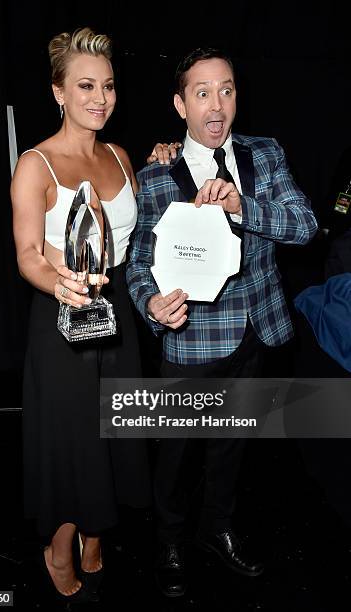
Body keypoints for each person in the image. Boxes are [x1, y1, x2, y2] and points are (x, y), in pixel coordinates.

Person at [127, 47, 318, 597]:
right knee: (175, 447)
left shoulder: (265, 154)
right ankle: (168, 537)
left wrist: (241, 207)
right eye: (203, 93)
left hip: (258, 330)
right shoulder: (157, 176)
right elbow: (139, 265)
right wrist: (151, 305)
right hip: (191, 339)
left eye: (227, 90)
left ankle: (218, 528)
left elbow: (305, 225)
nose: (217, 106)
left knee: (231, 442)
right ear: (180, 104)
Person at [10, 27, 150, 603]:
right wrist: (61, 284)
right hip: (62, 316)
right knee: (70, 442)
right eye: (86, 86)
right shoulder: (35, 164)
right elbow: (26, 256)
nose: (101, 98)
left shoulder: (119, 154)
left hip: (117, 314)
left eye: (109, 86)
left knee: (113, 434)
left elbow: (133, 243)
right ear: (59, 92)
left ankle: (97, 527)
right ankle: (61, 542)